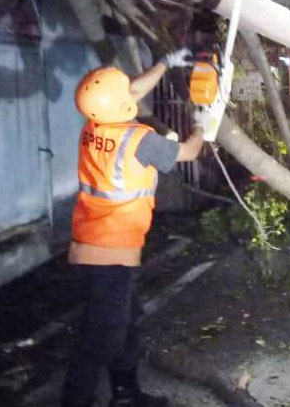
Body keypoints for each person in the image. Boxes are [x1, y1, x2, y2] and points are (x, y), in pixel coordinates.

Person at [62, 48, 204, 407]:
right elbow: (188, 153)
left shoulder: (94, 125)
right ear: (120, 104)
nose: (132, 94)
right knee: (101, 339)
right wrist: (206, 123)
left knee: (125, 325)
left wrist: (165, 63)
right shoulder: (140, 140)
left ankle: (126, 396)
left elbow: (132, 93)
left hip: (91, 248)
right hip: (111, 253)